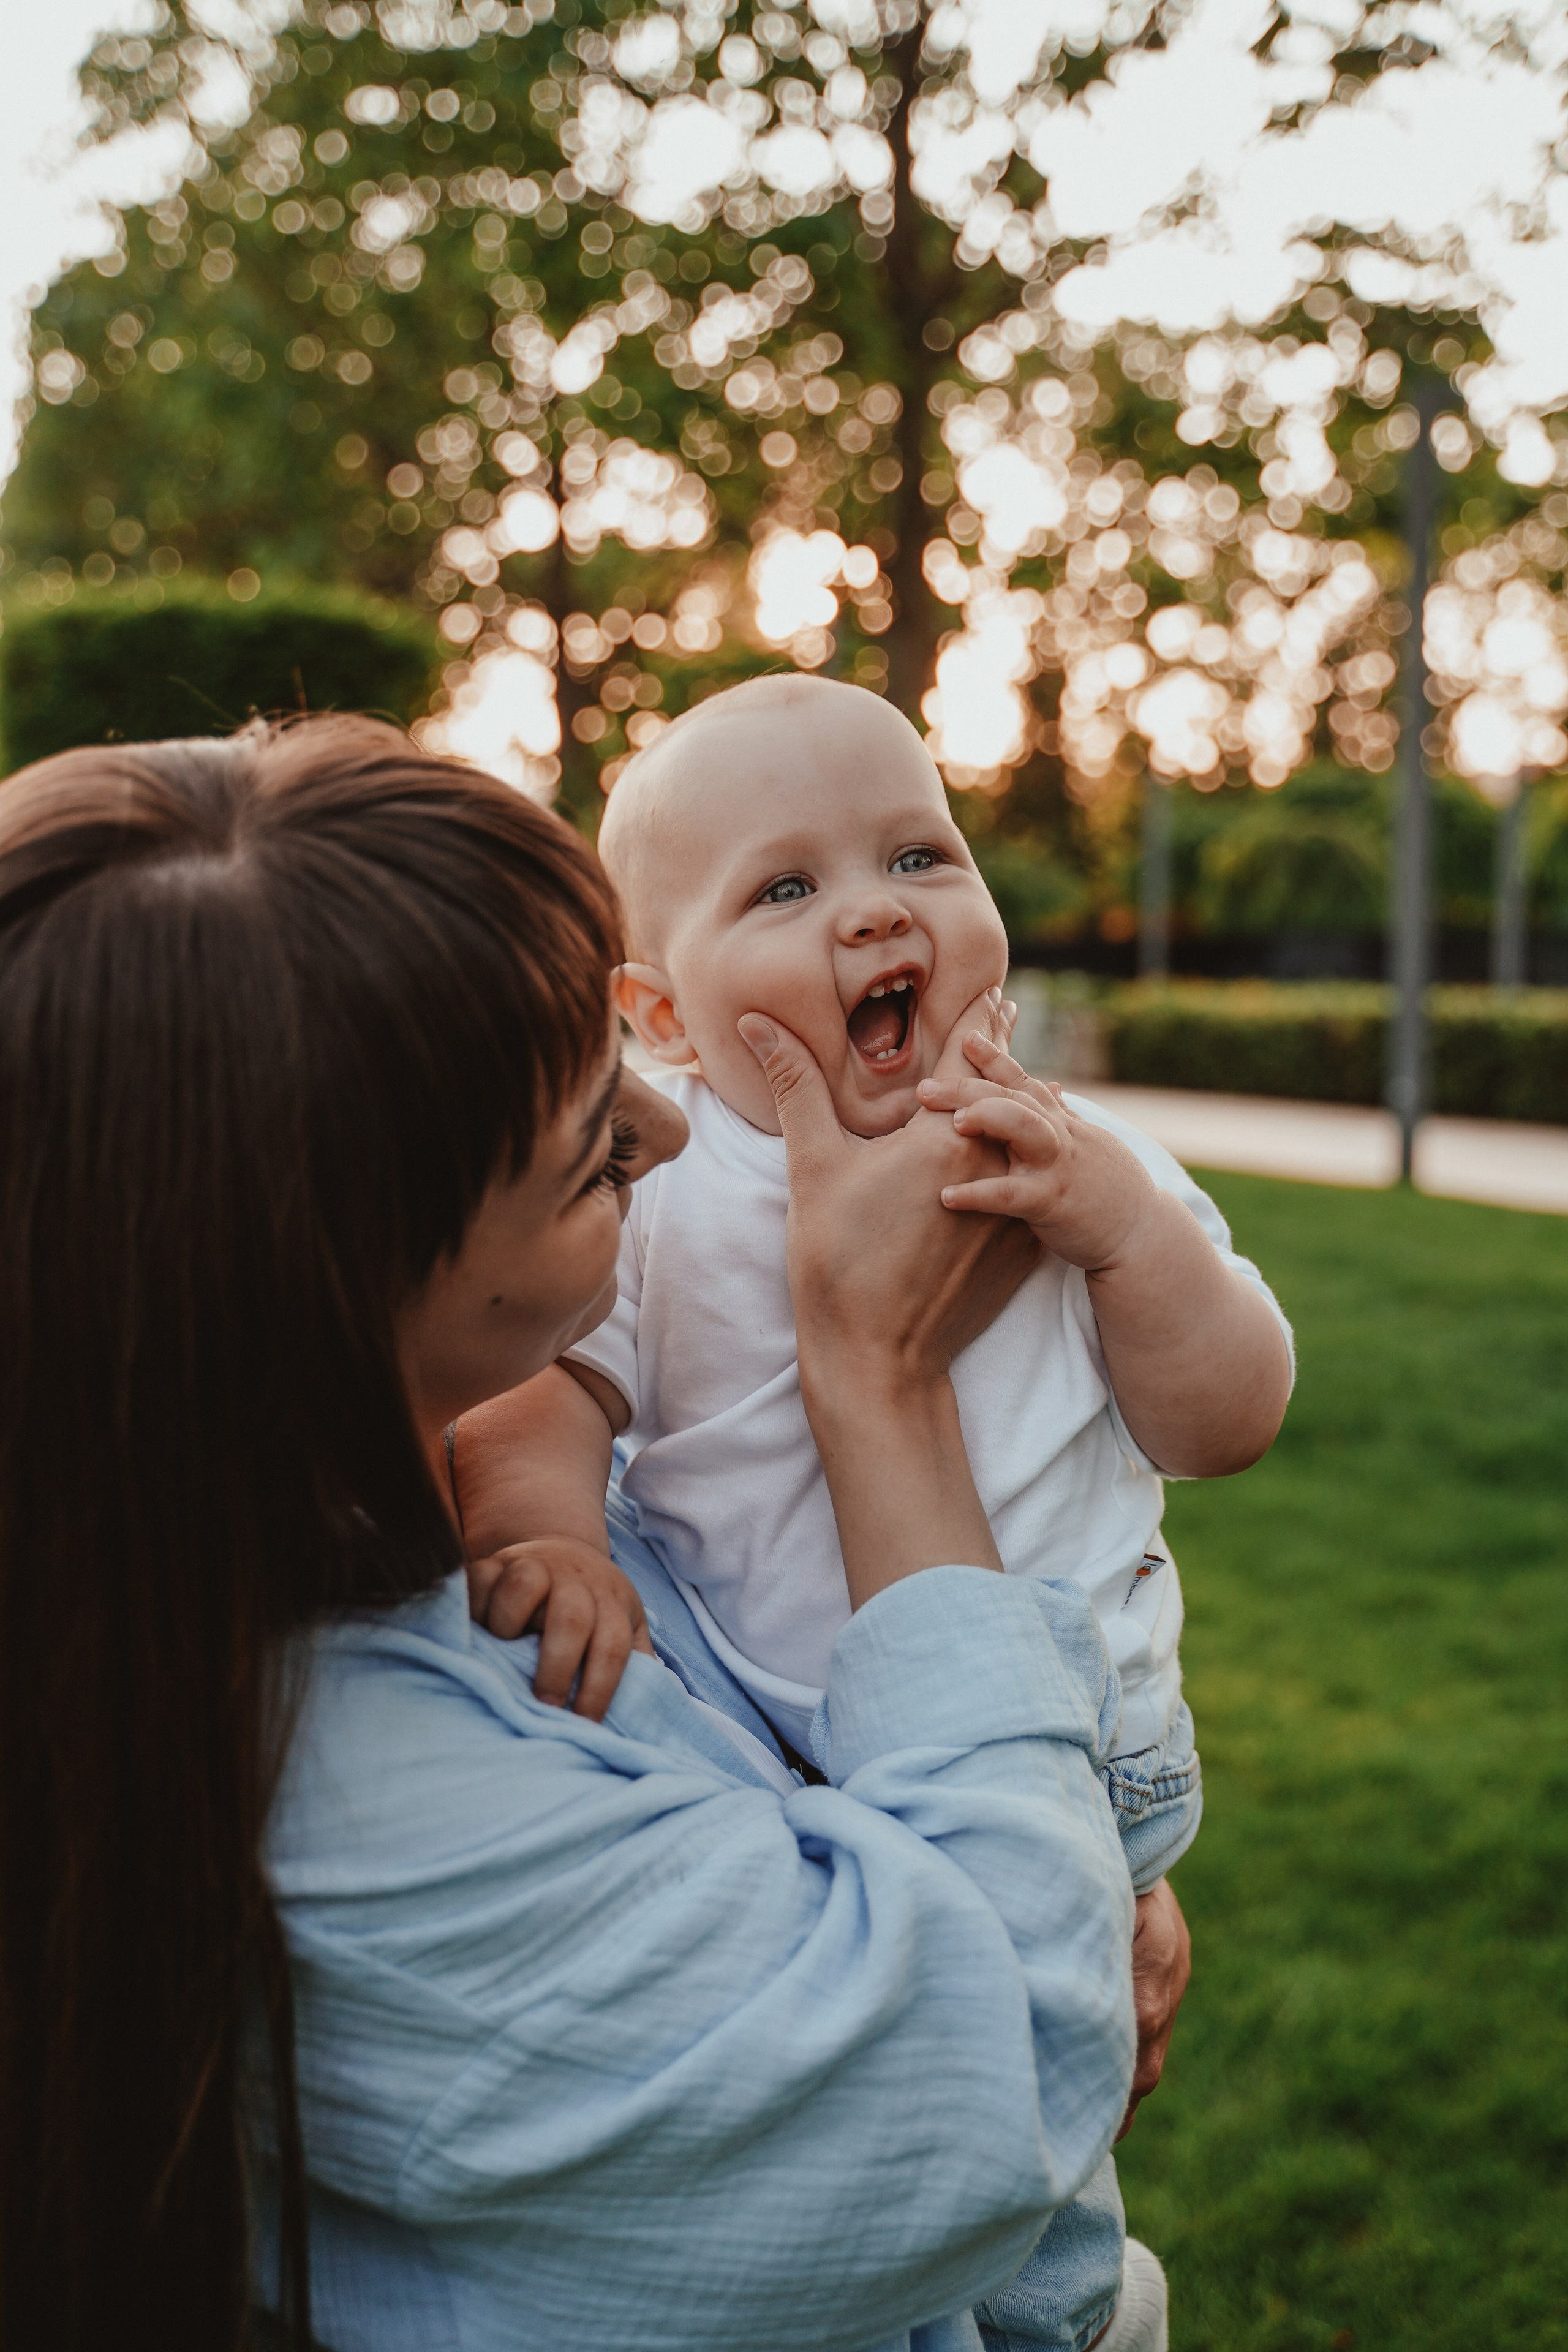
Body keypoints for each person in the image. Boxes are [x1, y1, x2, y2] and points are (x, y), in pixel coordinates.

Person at [0, 713, 1167, 2352]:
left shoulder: (447, 1516)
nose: (675, 1131)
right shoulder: (366, 1821)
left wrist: (1067, 1836)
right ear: (337, 1294)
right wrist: (874, 1376)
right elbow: (999, 2078)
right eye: (587, 1160)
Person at [450, 675, 1293, 2349]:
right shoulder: (668, 1192)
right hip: (768, 1758)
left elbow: (1228, 1421)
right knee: (900, 2121)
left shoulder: (1084, 1157)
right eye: (786, 888)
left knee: (1043, 2158)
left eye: (921, 855)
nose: (873, 914)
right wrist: (546, 1535)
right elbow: (551, 1401)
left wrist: (1126, 1237)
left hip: (1073, 1743)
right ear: (664, 1015)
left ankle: (1064, 2318)